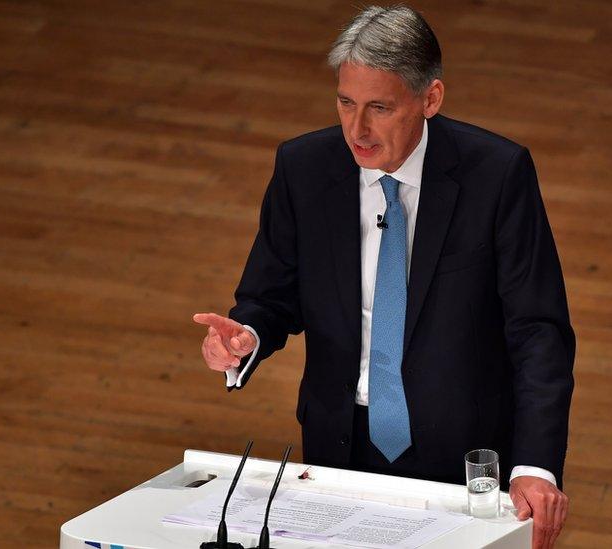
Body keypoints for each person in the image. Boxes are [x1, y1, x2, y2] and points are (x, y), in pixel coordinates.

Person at [193, 5, 574, 548]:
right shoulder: (304, 168)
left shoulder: (497, 175)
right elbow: (269, 296)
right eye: (346, 103)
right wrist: (244, 336)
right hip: (339, 446)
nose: (357, 129)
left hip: (464, 455)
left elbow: (539, 331)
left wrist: (536, 465)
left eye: (379, 107)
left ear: (430, 99)